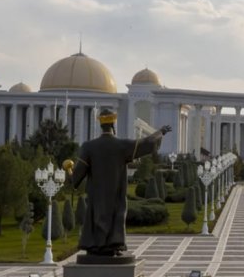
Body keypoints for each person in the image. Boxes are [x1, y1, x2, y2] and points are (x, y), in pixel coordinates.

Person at [70, 109, 171, 257]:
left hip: (96, 197)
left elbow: (75, 178)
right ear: (113, 124)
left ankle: (94, 247)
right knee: (115, 215)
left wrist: (68, 172)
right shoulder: (122, 146)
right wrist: (160, 132)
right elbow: (146, 143)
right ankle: (113, 245)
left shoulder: (88, 147)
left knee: (95, 215)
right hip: (116, 195)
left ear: (100, 124)